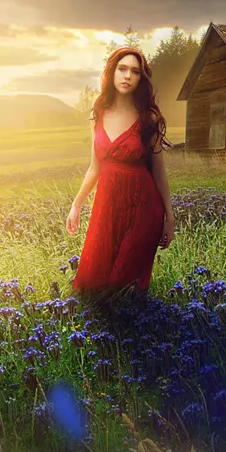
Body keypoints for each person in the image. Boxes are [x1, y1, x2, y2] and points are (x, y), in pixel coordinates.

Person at [65, 46, 175, 297]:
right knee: (92, 285)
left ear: (141, 78)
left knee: (123, 288)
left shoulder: (149, 118)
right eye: (122, 69)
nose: (127, 76)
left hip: (143, 209)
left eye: (135, 72)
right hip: (106, 207)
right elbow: (94, 167)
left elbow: (159, 170)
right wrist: (76, 204)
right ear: (111, 72)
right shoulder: (97, 115)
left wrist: (169, 216)